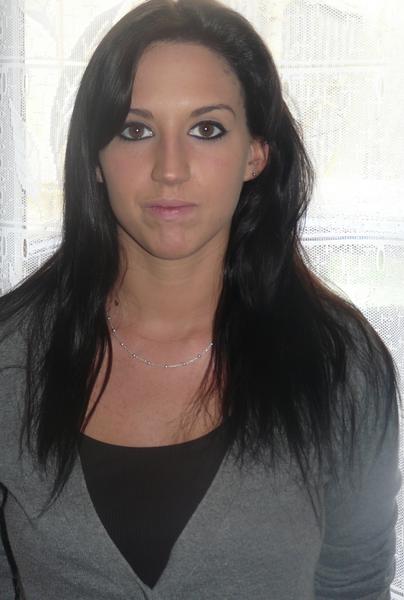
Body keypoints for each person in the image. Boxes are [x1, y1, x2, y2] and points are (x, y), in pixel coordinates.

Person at [0, 0, 400, 597]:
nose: (170, 168)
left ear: (256, 154)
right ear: (96, 159)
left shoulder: (340, 365)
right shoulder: (11, 356)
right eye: (136, 130)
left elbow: (355, 583)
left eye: (206, 129)